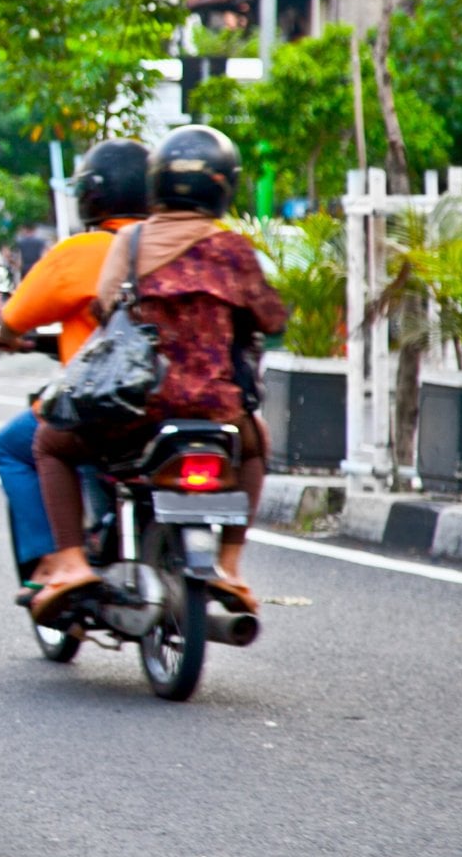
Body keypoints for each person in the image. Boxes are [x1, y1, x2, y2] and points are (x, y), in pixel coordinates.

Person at [31, 126, 286, 621]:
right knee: (258, 446)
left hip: (135, 413)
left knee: (48, 443)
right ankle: (230, 564)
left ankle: (71, 563)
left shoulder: (131, 241)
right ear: (224, 186)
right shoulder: (233, 249)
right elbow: (271, 319)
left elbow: (105, 307)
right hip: (217, 413)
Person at [0, 139, 149, 597]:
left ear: (93, 195)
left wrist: (4, 334)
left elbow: (14, 318)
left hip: (107, 406)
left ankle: (55, 563)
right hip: (183, 401)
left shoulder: (83, 250)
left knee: (14, 446)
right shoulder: (188, 246)